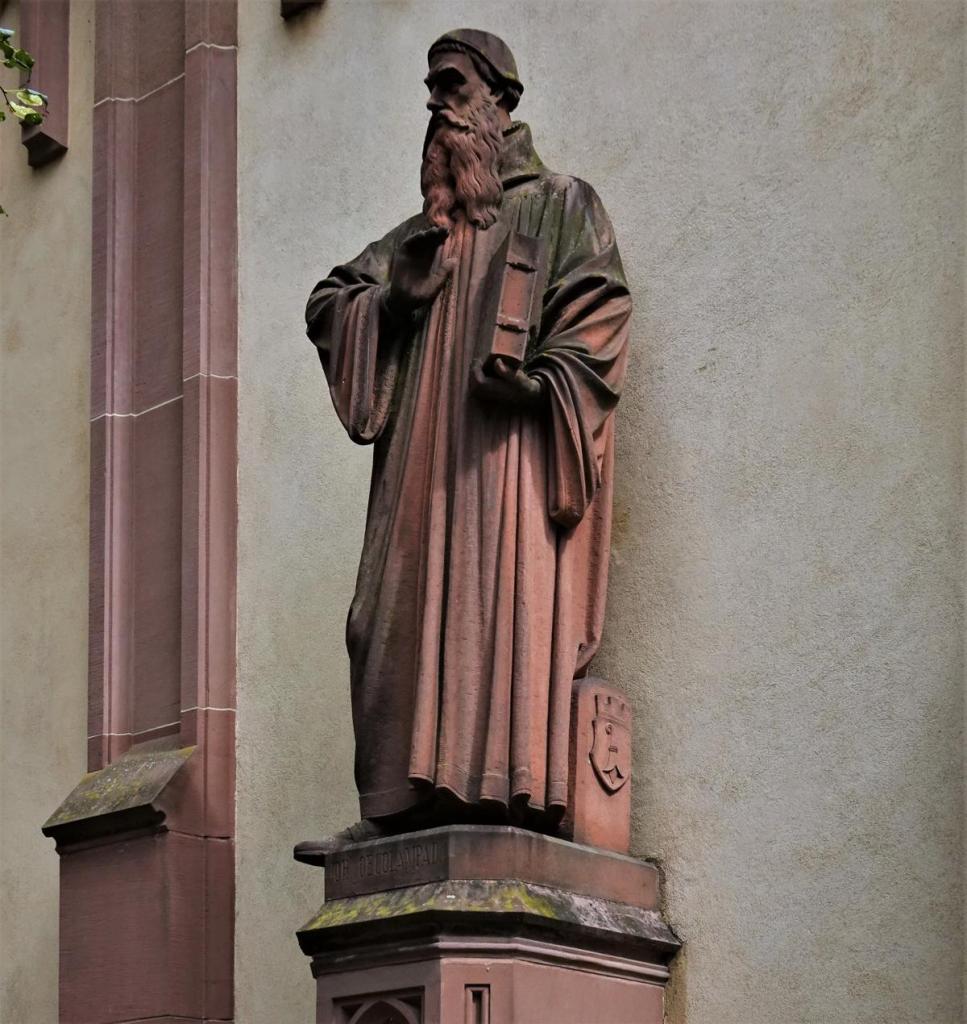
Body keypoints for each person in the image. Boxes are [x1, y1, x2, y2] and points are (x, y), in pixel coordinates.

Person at [295, 29, 630, 864]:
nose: (436, 103)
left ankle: (501, 804)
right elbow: (328, 300)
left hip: (506, 466)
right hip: (415, 472)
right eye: (431, 88)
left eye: (452, 84)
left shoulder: (560, 204)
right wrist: (396, 302)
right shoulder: (417, 235)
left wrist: (537, 380)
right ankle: (394, 806)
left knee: (496, 608)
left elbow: (598, 318)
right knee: (382, 618)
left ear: (500, 100)